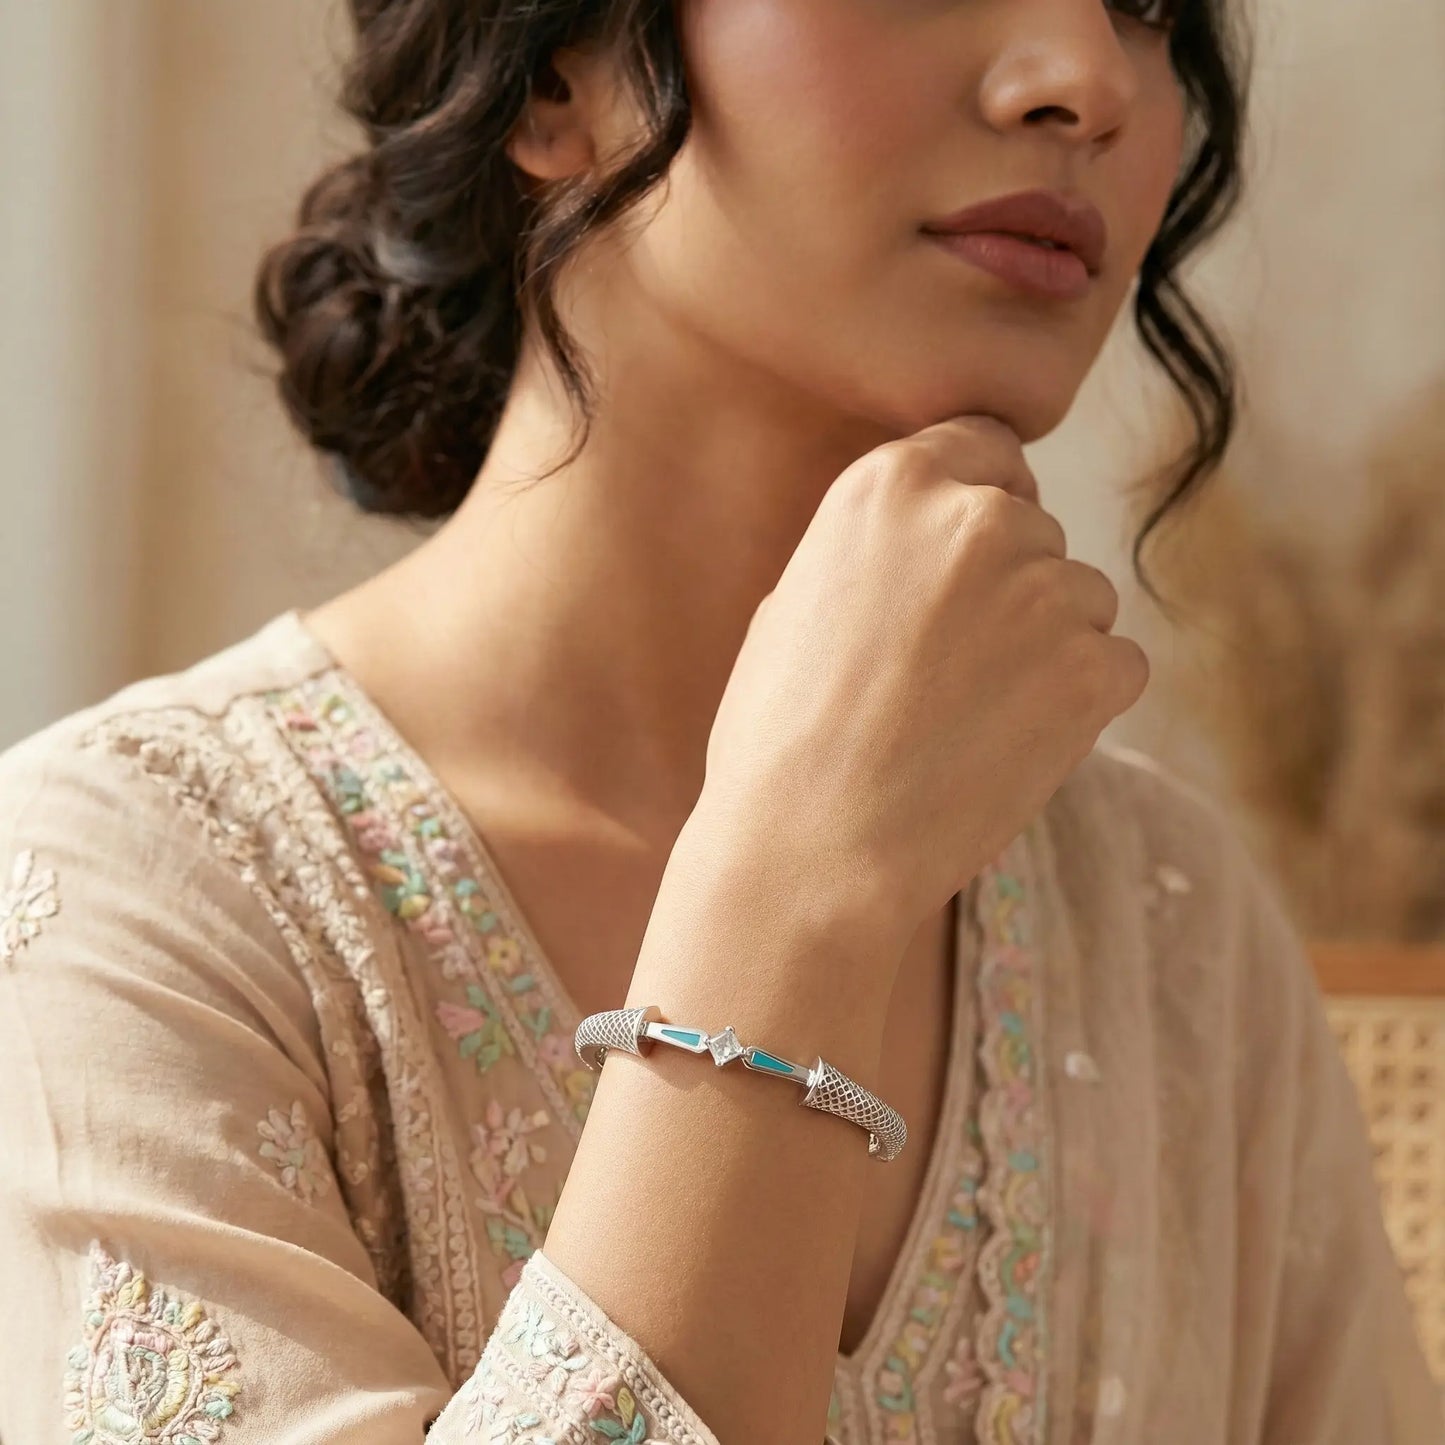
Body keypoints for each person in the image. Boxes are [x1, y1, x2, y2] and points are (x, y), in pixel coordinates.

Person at [0, 0, 1438, 1440]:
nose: (1084, 76)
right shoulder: (130, 905)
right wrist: (796, 892)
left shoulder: (1168, 928)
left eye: (1146, 6)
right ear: (548, 70)